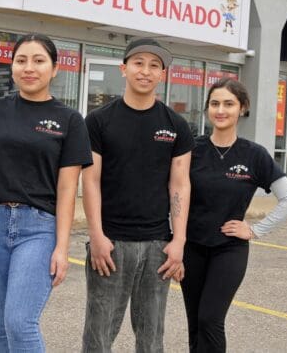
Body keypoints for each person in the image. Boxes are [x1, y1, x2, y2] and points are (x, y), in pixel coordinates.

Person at [82, 38, 194, 352]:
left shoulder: (176, 125)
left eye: (154, 65)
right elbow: (90, 181)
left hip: (158, 246)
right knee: (98, 335)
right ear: (124, 68)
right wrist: (97, 236)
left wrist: (179, 241)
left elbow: (180, 185)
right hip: (110, 245)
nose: (146, 71)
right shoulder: (98, 121)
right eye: (138, 63)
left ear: (162, 74)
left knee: (151, 338)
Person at [0, 34, 93, 352]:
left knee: (19, 322)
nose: (29, 68)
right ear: (12, 67)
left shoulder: (69, 120)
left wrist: (62, 248)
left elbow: (67, 188)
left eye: (39, 60)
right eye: (21, 60)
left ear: (55, 69)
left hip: (38, 228)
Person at [181, 78, 287, 353]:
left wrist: (256, 230)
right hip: (191, 247)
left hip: (229, 249)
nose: (220, 110)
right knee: (196, 322)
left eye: (228, 104)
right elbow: (173, 192)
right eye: (214, 104)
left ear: (242, 108)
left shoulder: (254, 155)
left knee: (210, 319)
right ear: (207, 109)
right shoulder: (192, 150)